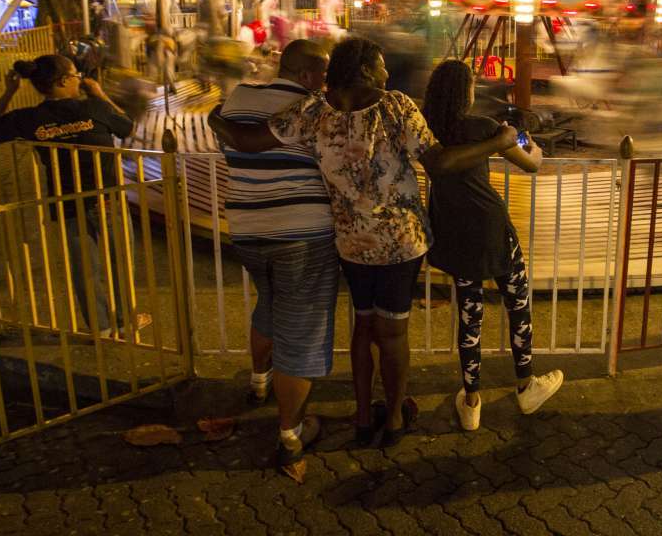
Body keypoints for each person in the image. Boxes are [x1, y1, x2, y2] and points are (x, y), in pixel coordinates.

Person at [208, 38, 518, 452]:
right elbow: (440, 163)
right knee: (392, 332)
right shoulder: (395, 107)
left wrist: (218, 121)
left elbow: (248, 141)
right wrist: (500, 143)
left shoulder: (313, 110)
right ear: (366, 71)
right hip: (399, 243)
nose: (388, 74)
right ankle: (391, 417)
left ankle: (360, 413)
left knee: (363, 326)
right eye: (382, 66)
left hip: (351, 242)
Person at [421, 60, 565, 431]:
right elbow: (530, 164)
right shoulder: (483, 128)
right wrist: (531, 145)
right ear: (465, 92)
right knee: (517, 303)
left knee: (470, 314)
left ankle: (471, 401)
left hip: (453, 230)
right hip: (490, 226)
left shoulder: (428, 130)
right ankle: (525, 385)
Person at [218, 40, 339, 468]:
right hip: (302, 232)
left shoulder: (239, 96)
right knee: (302, 329)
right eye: (323, 74)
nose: (326, 82)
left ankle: (258, 381)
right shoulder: (315, 109)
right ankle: (291, 430)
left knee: (268, 302)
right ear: (308, 75)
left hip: (246, 227)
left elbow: (228, 150)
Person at [0, 55, 147, 339]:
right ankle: (125, 322)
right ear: (63, 81)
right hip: (107, 199)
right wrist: (100, 92)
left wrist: (10, 91)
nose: (80, 79)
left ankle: (101, 328)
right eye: (75, 74)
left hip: (67, 202)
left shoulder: (30, 119)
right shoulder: (95, 108)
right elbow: (127, 127)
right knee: (120, 262)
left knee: (84, 268)